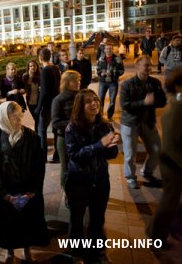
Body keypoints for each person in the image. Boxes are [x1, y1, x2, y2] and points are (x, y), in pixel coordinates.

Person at [0, 102, 49, 263]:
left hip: (28, 191)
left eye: (20, 114)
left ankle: (27, 249)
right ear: (4, 118)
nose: (19, 120)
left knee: (28, 221)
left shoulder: (32, 137)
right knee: (8, 223)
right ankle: (9, 250)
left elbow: (39, 166)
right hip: (5, 193)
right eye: (14, 117)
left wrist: (32, 190)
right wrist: (4, 194)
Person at [65, 89, 119, 262]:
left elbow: (111, 155)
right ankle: (76, 251)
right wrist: (99, 145)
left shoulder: (105, 126)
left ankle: (97, 251)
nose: (94, 103)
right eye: (88, 101)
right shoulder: (72, 128)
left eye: (95, 99)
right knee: (77, 219)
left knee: (98, 218)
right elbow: (75, 155)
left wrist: (112, 146)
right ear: (80, 106)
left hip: (100, 180)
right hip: (78, 181)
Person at [146, 67, 182, 248]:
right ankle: (155, 237)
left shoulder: (177, 105)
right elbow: (172, 143)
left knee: (171, 202)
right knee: (169, 203)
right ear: (178, 86)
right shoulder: (176, 108)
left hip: (174, 162)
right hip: (173, 164)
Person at [120, 55, 166, 189]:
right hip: (130, 123)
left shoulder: (155, 83)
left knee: (157, 149)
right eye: (146, 65)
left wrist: (153, 102)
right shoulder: (127, 84)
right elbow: (125, 104)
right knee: (130, 154)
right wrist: (144, 102)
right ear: (137, 66)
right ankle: (130, 177)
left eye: (150, 65)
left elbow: (162, 101)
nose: (149, 68)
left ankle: (147, 171)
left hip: (148, 122)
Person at [51, 71, 81, 189]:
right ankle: (68, 194)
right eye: (75, 80)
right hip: (65, 139)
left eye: (79, 80)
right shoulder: (58, 100)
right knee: (66, 167)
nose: (78, 82)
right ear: (67, 83)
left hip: (81, 137)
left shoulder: (81, 96)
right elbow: (56, 123)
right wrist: (75, 124)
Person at [35, 48, 61, 155]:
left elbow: (44, 92)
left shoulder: (45, 70)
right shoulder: (55, 68)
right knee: (55, 130)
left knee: (42, 131)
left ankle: (43, 156)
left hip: (47, 105)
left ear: (40, 58)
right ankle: (57, 154)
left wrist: (38, 108)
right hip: (55, 102)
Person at [96, 44, 125, 120]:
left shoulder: (117, 58)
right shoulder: (101, 58)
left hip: (113, 82)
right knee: (100, 99)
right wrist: (100, 73)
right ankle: (100, 115)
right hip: (103, 82)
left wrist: (113, 73)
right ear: (104, 50)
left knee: (112, 100)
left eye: (110, 48)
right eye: (107, 49)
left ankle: (109, 116)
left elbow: (122, 70)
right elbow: (97, 69)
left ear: (112, 49)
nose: (108, 50)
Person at [22, 60, 41, 131]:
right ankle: (37, 134)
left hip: (39, 101)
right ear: (28, 67)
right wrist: (30, 76)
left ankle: (37, 134)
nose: (33, 67)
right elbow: (24, 88)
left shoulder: (40, 75)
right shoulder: (25, 77)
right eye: (31, 66)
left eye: (34, 65)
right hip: (30, 102)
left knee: (38, 119)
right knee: (36, 119)